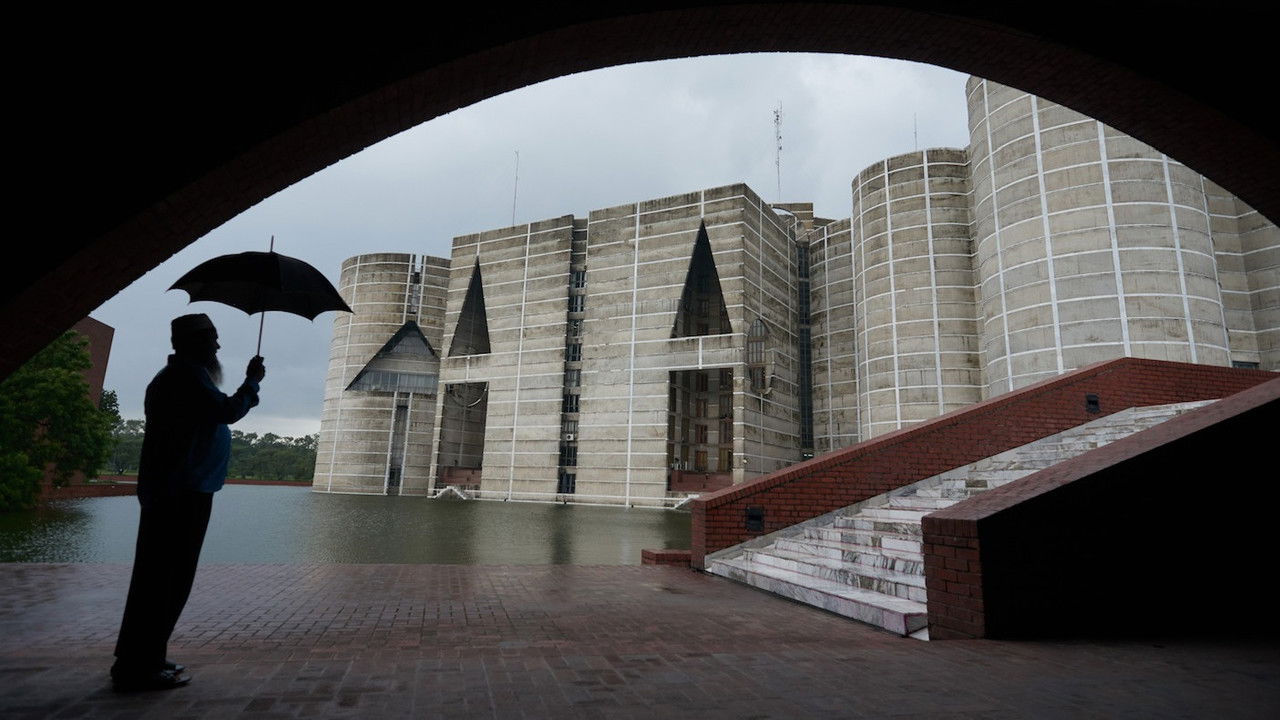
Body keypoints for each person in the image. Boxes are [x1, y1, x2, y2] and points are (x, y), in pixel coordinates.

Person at [111, 314, 265, 691]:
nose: (217, 346)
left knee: (161, 578)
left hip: (180, 490)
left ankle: (145, 657)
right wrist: (252, 382)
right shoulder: (185, 378)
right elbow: (225, 411)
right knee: (165, 579)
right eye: (212, 339)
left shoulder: (181, 377)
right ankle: (138, 667)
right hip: (180, 492)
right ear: (191, 342)